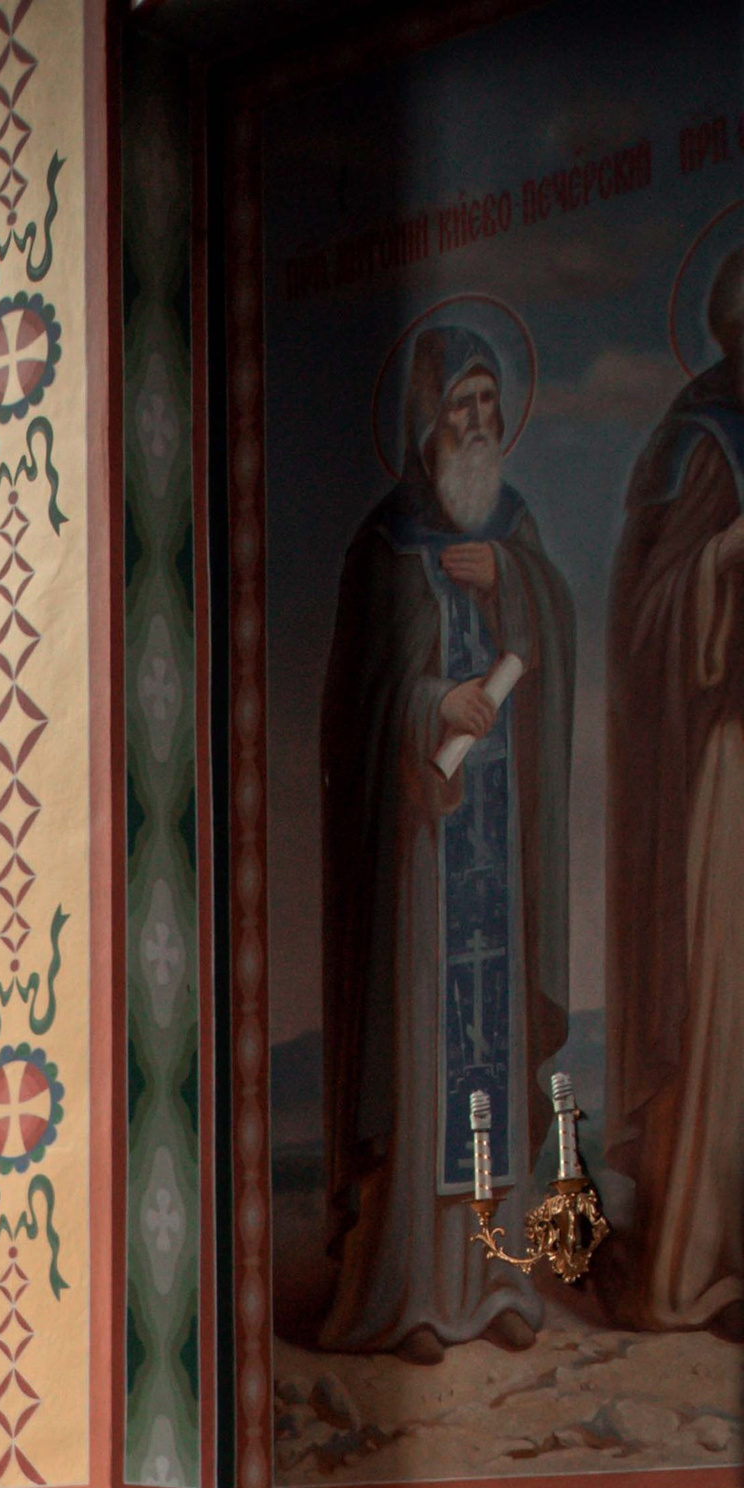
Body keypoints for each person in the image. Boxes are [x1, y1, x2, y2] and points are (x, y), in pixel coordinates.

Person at [317, 327, 571, 1361]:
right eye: (458, 404)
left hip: (496, 842)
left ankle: (495, 1285)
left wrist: (508, 582)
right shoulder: (384, 543)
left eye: (486, 402)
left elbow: (548, 640)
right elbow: (358, 701)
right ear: (426, 420)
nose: (476, 421)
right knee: (430, 1059)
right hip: (423, 846)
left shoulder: (514, 529)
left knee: (492, 1055)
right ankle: (415, 1294)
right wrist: (432, 702)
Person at [604, 244, 744, 1337]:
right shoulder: (704, 443)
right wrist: (727, 558)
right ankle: (703, 1261)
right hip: (727, 768)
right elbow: (651, 614)